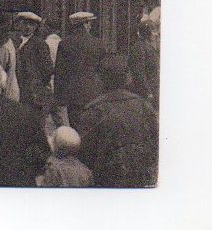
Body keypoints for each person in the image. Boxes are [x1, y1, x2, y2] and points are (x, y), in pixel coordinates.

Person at [77, 54, 158, 188]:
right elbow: (155, 142)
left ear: (101, 79)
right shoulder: (144, 106)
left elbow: (85, 154)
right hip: (140, 179)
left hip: (107, 181)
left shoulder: (94, 110)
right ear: (127, 79)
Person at [0, 11, 55, 126]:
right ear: (19, 25)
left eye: (31, 25)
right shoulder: (12, 42)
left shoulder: (40, 44)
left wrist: (37, 84)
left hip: (32, 93)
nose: (28, 27)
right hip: (14, 90)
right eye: (25, 24)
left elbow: (48, 69)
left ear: (36, 27)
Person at [54, 11, 105, 127]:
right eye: (89, 23)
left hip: (73, 95)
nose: (90, 26)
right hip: (94, 93)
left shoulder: (65, 43)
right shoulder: (98, 44)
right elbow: (102, 70)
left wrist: (59, 99)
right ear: (85, 24)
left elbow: (60, 73)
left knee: (76, 127)